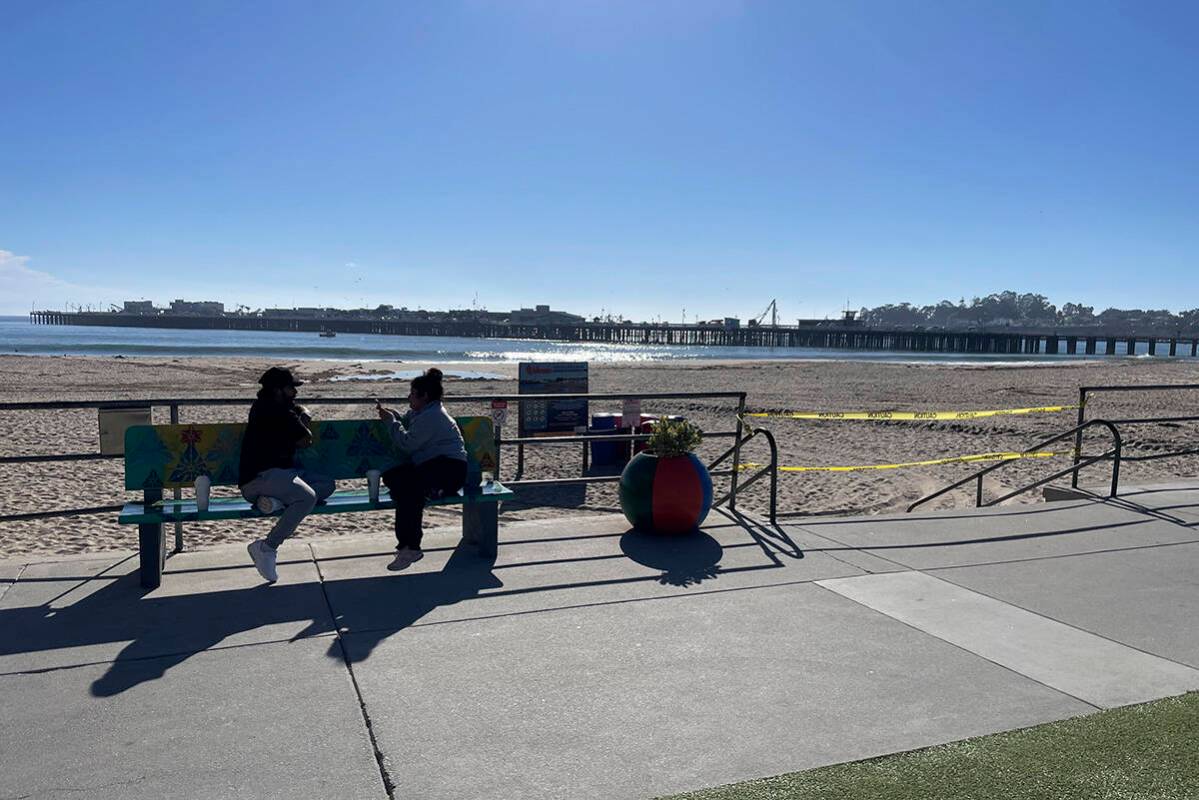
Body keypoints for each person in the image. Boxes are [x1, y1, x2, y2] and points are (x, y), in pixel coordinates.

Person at [239, 366, 335, 583]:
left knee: (327, 485)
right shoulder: (277, 410)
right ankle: (267, 546)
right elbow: (305, 439)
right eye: (291, 387)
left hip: (280, 476)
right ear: (277, 390)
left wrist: (298, 414)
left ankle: (274, 503)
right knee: (308, 497)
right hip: (260, 478)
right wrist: (304, 416)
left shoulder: (268, 406)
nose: (295, 392)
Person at [377, 368, 468, 570]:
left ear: (424, 396)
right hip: (439, 468)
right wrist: (397, 418)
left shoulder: (432, 416)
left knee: (406, 491)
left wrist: (390, 423)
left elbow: (408, 443)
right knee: (397, 480)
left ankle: (409, 547)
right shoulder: (426, 412)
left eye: (412, 394)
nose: (409, 397)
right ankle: (409, 546)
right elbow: (411, 422)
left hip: (448, 470)